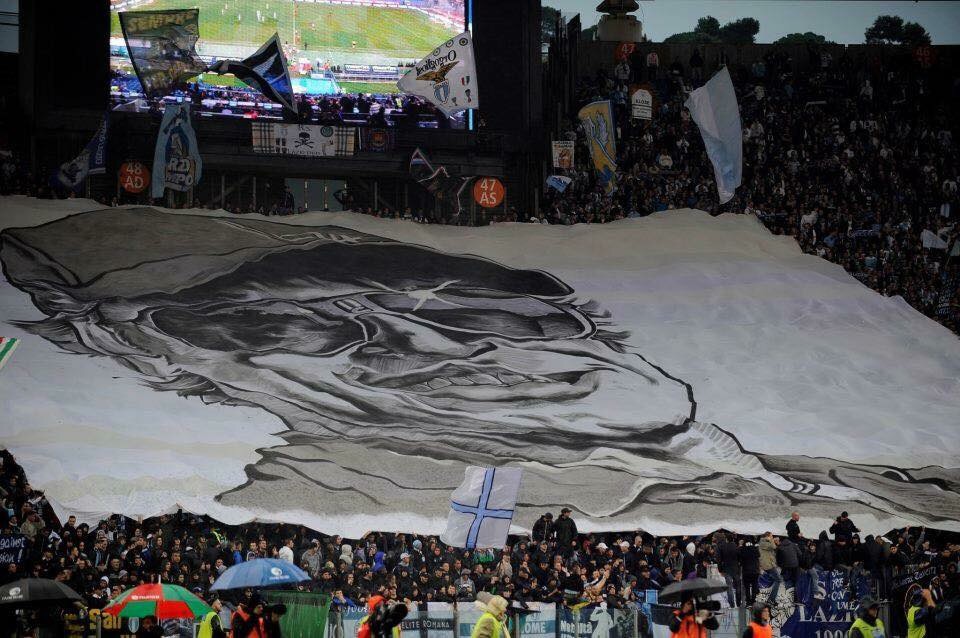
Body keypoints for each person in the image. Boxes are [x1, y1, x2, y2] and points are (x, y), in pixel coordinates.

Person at [758, 533, 782, 603]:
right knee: (778, 580)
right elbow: (773, 547)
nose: (772, 537)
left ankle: (770, 598)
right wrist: (772, 540)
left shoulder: (765, 543)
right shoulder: (763, 542)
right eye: (771, 536)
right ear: (767, 536)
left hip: (769, 564)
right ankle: (771, 599)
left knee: (775, 580)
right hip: (768, 565)